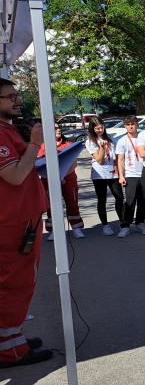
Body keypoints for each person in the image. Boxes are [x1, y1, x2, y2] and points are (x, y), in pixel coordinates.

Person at [0, 78, 52, 367]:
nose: (17, 101)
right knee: (14, 286)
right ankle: (10, 350)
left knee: (17, 285)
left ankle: (13, 338)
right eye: (10, 97)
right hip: (12, 224)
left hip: (22, 220)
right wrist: (35, 143)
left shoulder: (7, 129)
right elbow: (16, 176)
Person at [39, 125, 82, 241]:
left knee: (72, 202)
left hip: (68, 179)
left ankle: (76, 228)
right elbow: (39, 164)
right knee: (51, 206)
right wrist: (53, 177)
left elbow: (74, 164)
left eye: (59, 128)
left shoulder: (68, 145)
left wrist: (62, 176)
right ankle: (54, 230)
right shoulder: (43, 146)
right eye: (54, 128)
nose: (58, 130)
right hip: (48, 180)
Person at [84, 116, 123, 237]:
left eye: (101, 127)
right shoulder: (90, 141)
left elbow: (116, 156)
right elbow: (100, 160)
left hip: (113, 173)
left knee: (120, 197)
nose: (100, 130)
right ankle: (105, 225)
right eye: (97, 128)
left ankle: (123, 222)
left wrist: (120, 172)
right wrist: (101, 147)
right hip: (99, 174)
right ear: (92, 129)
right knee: (102, 200)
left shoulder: (111, 138)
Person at [115, 116, 145, 238]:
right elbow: (120, 160)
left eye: (133, 124)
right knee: (130, 201)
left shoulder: (143, 137)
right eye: (128, 124)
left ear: (137, 124)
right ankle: (125, 226)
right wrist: (121, 175)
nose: (130, 126)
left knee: (143, 200)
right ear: (125, 126)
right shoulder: (122, 141)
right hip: (131, 174)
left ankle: (140, 222)